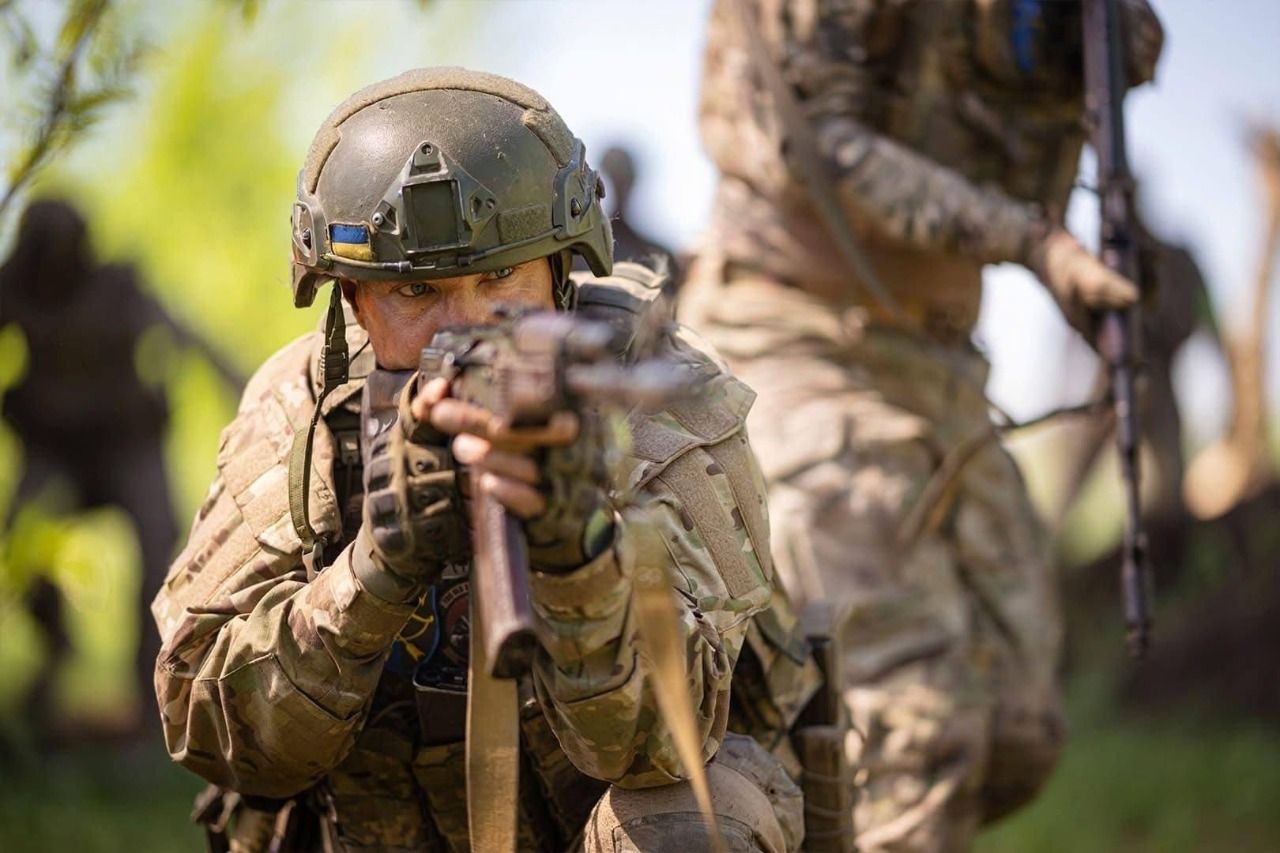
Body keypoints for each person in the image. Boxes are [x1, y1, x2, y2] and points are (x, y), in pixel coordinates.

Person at [152, 68, 818, 852]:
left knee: (692, 824)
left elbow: (659, 747)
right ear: (354, 299)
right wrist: (374, 569)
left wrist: (579, 557)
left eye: (499, 277)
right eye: (417, 291)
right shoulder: (300, 415)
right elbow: (210, 729)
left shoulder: (659, 412)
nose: (463, 326)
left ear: (561, 269)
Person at [680, 1, 1163, 849]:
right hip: (793, 337)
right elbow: (810, 149)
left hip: (936, 358)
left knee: (1019, 732)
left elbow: (1128, 55)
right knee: (919, 727)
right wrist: (1036, 244)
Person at [0, 198, 238, 742]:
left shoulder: (117, 288)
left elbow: (184, 333)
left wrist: (239, 382)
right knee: (25, 541)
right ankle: (50, 664)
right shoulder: (14, 290)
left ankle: (152, 689)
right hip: (54, 450)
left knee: (159, 546)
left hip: (125, 444)